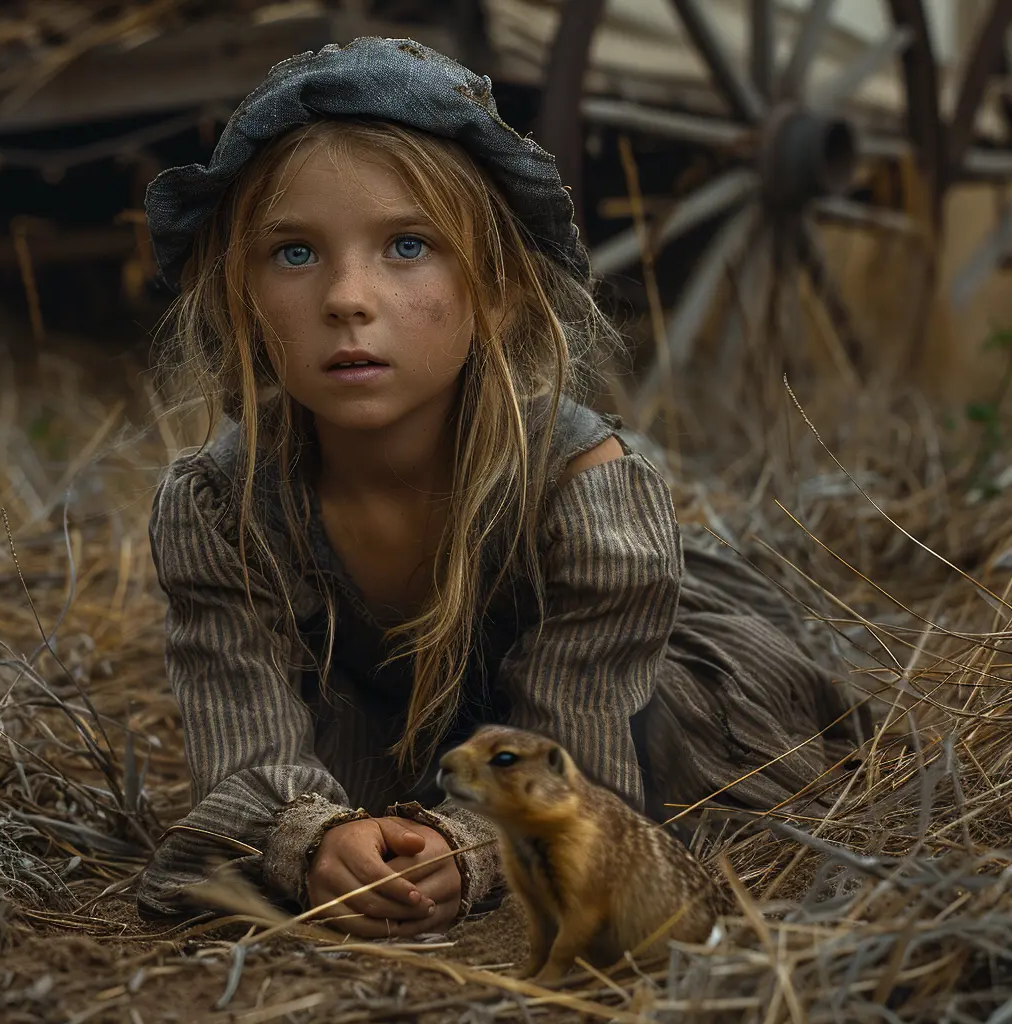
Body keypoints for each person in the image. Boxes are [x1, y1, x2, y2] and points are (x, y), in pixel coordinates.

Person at [138, 37, 869, 936]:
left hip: (621, 702)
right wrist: (315, 837)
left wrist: (479, 850)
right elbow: (244, 739)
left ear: (500, 290)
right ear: (239, 293)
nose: (347, 297)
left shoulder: (583, 489)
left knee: (663, 766)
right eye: (293, 253)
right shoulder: (221, 507)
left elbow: (586, 748)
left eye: (408, 245)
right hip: (394, 713)